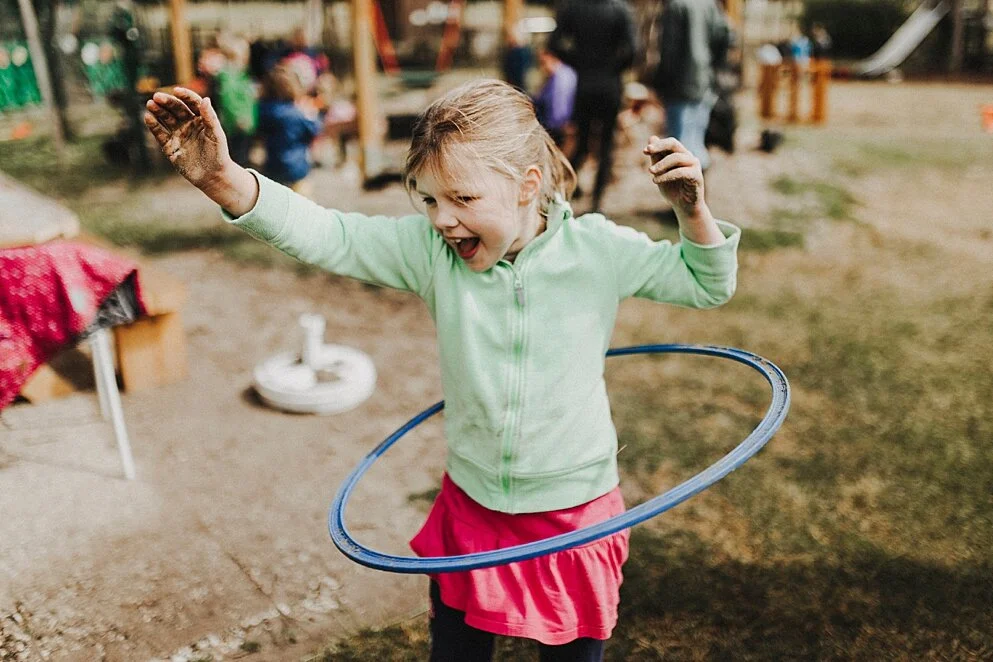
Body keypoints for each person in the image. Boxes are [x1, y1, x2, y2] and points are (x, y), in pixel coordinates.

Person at [144, 78, 740, 661]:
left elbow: (706, 284)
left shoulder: (600, 251)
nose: (442, 220)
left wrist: (693, 212)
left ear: (528, 185)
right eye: (428, 199)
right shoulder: (433, 255)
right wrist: (224, 180)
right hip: (474, 504)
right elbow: (329, 233)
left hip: (573, 510)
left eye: (462, 199)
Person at [549, 0, 637, 213]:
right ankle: (597, 200)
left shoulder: (574, 7)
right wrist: (613, 67)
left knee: (581, 141)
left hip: (584, 84)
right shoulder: (620, 10)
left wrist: (578, 61)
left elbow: (554, 44)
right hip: (609, 85)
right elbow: (633, 50)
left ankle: (566, 189)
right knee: (606, 145)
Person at [653, 0, 730, 171]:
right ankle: (699, 188)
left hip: (679, 87)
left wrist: (660, 82)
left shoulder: (675, 6)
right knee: (696, 141)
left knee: (678, 148)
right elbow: (725, 36)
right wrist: (714, 68)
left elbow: (669, 52)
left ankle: (687, 191)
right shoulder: (709, 4)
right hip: (704, 83)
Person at [256, 63, 322, 195]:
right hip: (297, 167)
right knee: (302, 202)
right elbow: (314, 129)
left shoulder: (263, 111)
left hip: (272, 164)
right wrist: (311, 114)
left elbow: (259, 133)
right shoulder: (296, 114)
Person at [214, 33, 258, 167]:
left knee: (244, 154)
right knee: (239, 158)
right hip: (238, 124)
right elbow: (228, 100)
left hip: (247, 122)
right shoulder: (228, 75)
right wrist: (238, 118)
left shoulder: (242, 74)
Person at [532, 48, 577, 147]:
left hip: (559, 127)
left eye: (543, 62)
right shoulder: (553, 78)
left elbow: (560, 107)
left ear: (553, 58)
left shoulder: (564, 76)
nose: (542, 67)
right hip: (552, 125)